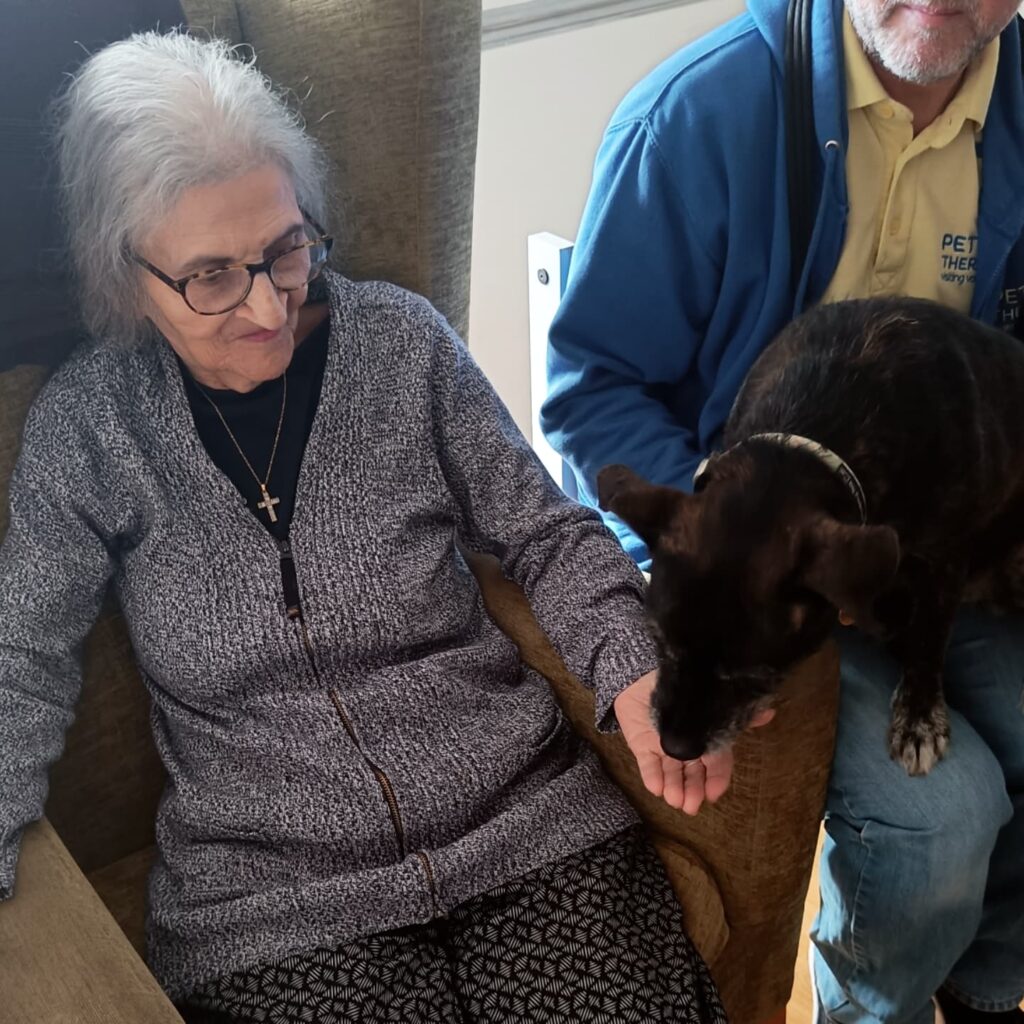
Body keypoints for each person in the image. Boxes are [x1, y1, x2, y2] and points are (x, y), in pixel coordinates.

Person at [0, 30, 742, 1024]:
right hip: (274, 908)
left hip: (528, 826)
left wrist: (632, 665)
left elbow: (546, 534)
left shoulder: (401, 346)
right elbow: (23, 659)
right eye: (212, 276)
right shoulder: (89, 428)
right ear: (126, 274)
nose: (267, 305)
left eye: (285, 248)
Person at [542, 0, 1024, 1021]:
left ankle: (987, 990)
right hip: (761, 576)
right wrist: (739, 543)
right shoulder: (693, 117)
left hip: (950, 544)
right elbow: (592, 388)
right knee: (939, 816)